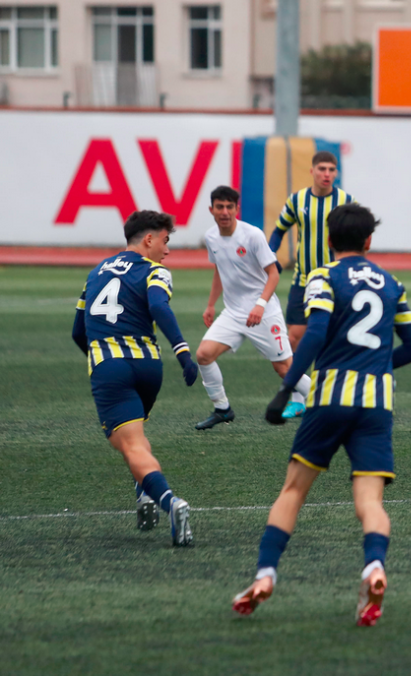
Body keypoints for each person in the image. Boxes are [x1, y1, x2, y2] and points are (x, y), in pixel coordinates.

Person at [232, 203, 411, 627]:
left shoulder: (324, 276)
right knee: (370, 500)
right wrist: (377, 365)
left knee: (293, 491)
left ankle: (265, 574)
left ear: (331, 241)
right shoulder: (392, 283)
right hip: (377, 403)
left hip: (330, 397)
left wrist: (285, 389)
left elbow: (316, 331)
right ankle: (374, 567)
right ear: (369, 241)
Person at [72, 210, 198, 547]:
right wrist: (182, 352)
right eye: (165, 241)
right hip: (148, 366)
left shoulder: (96, 272)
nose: (166, 250)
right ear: (148, 239)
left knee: (130, 445)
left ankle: (171, 503)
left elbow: (77, 332)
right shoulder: (155, 271)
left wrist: (103, 360)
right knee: (137, 438)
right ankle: (144, 498)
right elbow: (158, 306)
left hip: (110, 365)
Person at [194, 186, 312, 429]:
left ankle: (328, 404)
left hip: (264, 313)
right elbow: (219, 270)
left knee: (283, 368)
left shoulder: (253, 235)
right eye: (220, 207)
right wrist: (210, 304)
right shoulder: (211, 237)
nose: (224, 212)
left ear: (237, 209)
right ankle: (222, 409)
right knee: (204, 355)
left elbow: (273, 274)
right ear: (211, 209)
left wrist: (259, 305)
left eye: (229, 207)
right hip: (233, 313)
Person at [269, 151, 355, 356]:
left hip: (337, 280)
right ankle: (298, 385)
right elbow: (279, 230)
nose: (327, 174)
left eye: (331, 170)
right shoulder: (297, 200)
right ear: (312, 171)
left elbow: (359, 237)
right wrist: (270, 257)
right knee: (294, 337)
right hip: (304, 280)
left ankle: (327, 382)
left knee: (334, 338)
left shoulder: (346, 201)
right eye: (322, 169)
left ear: (336, 173)